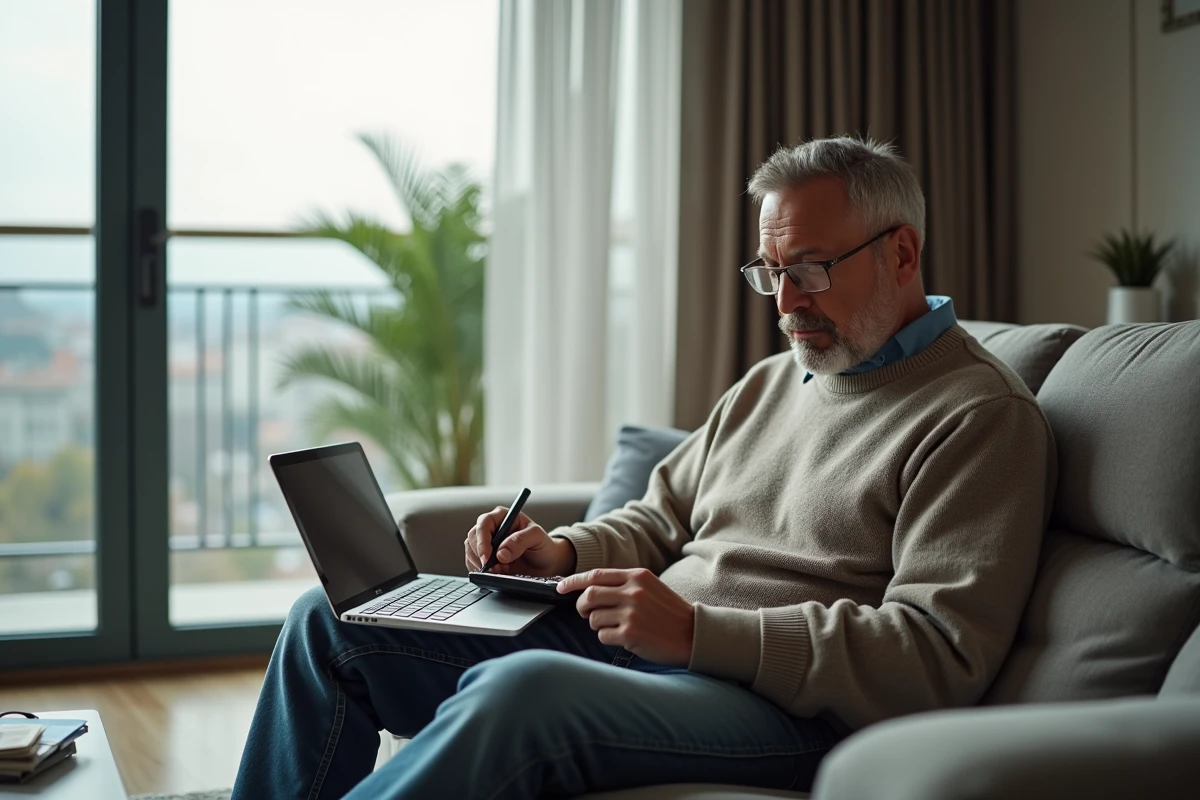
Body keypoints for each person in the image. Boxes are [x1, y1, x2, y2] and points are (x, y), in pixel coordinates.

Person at [231, 136, 1055, 799]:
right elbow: (661, 520)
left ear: (902, 253)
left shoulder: (980, 419)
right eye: (770, 273)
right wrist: (562, 552)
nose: (784, 302)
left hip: (780, 709)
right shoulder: (773, 382)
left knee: (520, 698)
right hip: (641, 656)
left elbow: (936, 654)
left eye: (807, 269)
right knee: (335, 620)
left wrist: (701, 632)